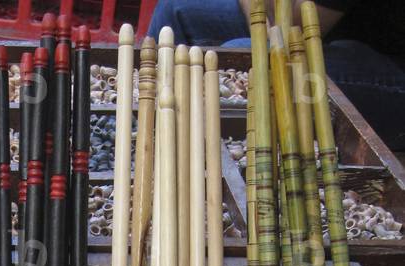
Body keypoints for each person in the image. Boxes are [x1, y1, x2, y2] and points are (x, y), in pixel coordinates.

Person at [149, 0, 405, 152]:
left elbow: (287, 31)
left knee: (245, 57)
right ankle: (145, 139)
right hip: (325, 36)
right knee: (174, 10)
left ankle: (207, 161)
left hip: (390, 75)